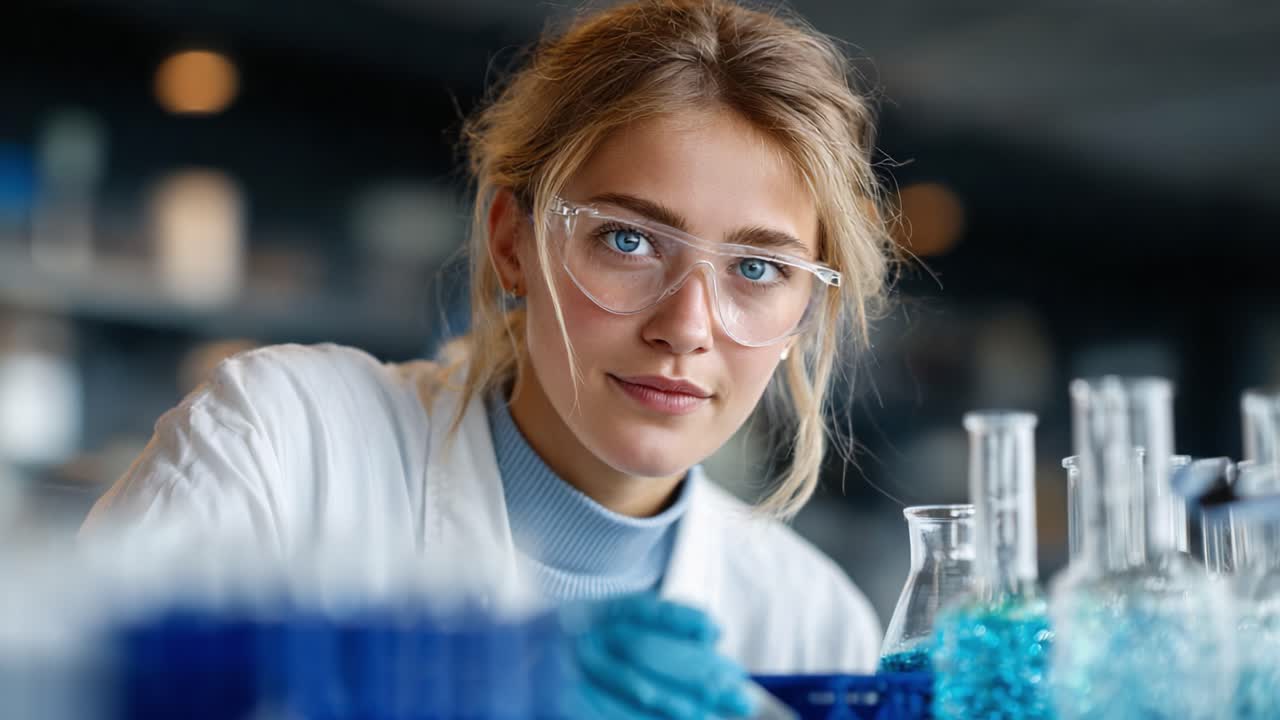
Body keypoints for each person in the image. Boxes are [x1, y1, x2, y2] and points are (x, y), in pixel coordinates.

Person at [83, 0, 896, 716]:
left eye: (758, 269)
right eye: (628, 239)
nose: (686, 326)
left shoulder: (811, 624)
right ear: (513, 242)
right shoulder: (284, 443)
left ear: (807, 310)